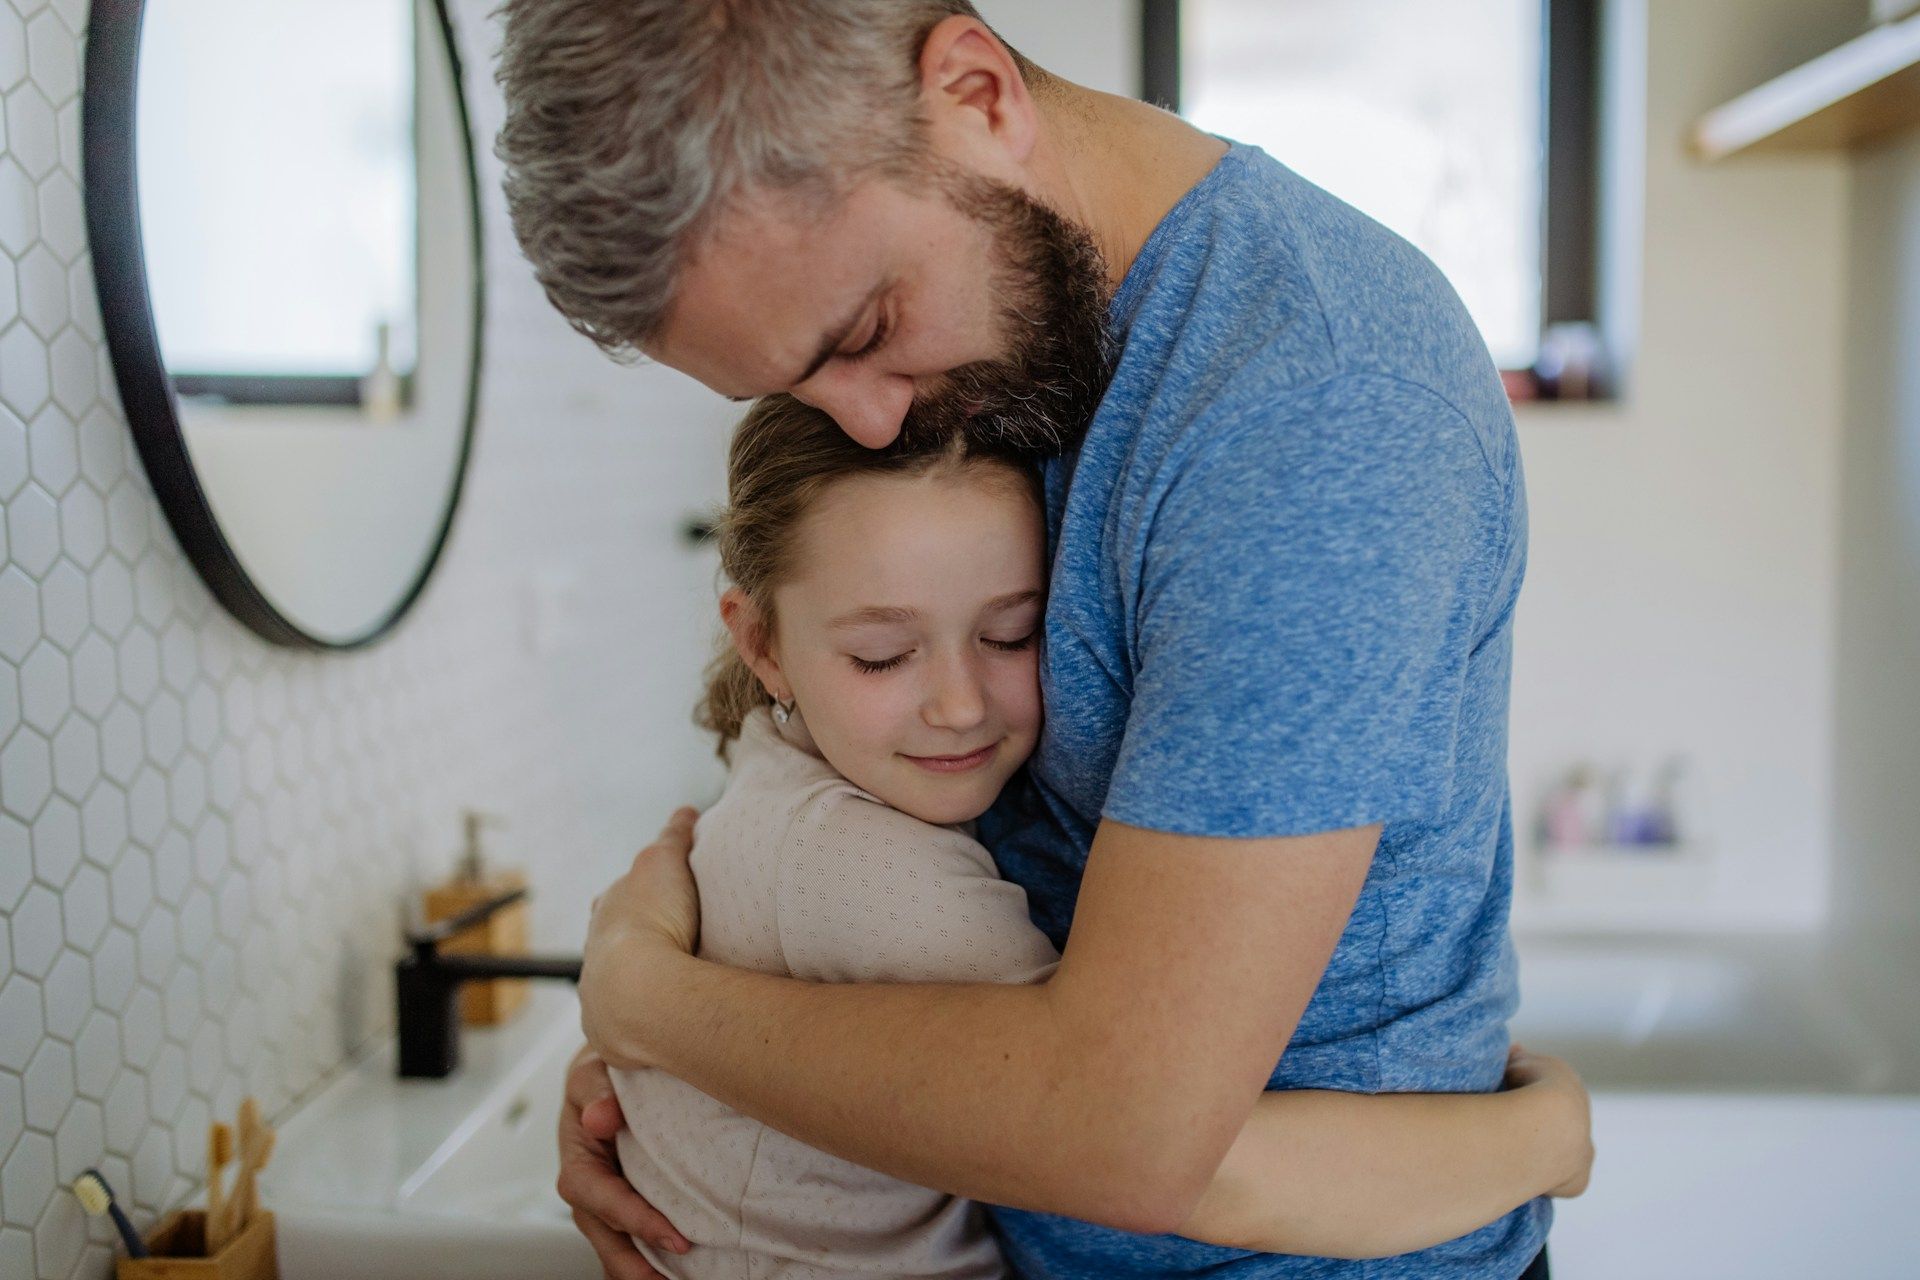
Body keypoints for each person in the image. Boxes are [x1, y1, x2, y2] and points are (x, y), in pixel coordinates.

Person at [494, 3, 1585, 1276]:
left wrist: (653, 1003)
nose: (862, 421)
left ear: (976, 91)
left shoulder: (1313, 411)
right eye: (793, 390)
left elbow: (1124, 1131)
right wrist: (680, 1101)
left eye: (862, 335)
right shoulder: (1008, 347)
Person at [605, 395, 1590, 1279]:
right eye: (883, 653)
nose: (957, 703)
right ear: (761, 640)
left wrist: (646, 1009)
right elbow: (1126, 1147)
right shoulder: (880, 869)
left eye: (1011, 635)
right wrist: (1542, 1137)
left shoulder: (774, 771)